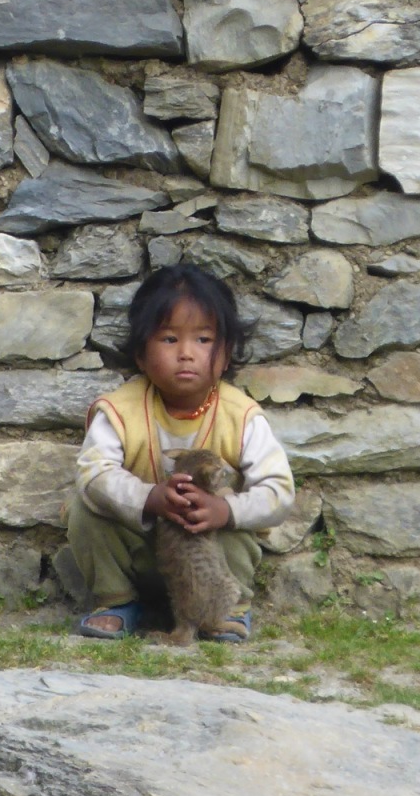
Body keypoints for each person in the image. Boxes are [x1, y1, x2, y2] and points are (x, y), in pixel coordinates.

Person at [66, 262, 295, 642]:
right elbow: (94, 473)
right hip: (144, 555)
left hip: (210, 561)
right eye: (169, 339)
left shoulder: (242, 416)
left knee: (241, 524)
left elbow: (279, 491)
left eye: (203, 340)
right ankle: (118, 600)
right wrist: (150, 498)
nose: (186, 353)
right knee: (84, 510)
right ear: (141, 354)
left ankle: (229, 609)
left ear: (226, 353)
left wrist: (225, 511)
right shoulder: (120, 409)